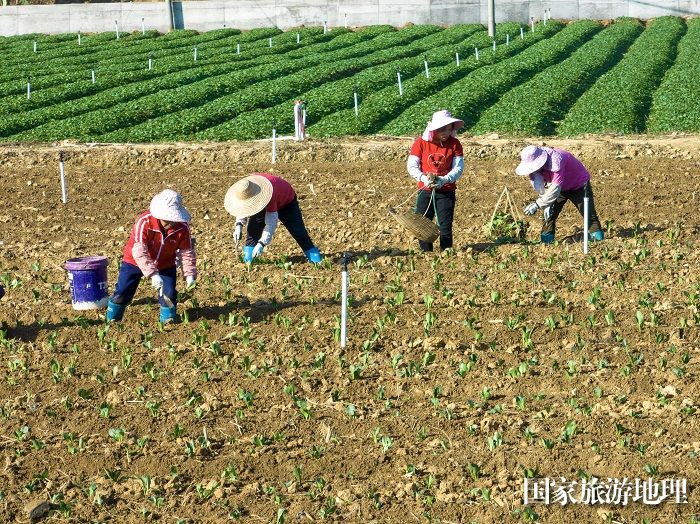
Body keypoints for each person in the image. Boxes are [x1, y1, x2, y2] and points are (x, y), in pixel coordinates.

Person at [106, 189, 197, 324]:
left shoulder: (182, 228)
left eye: (174, 219)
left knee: (169, 294)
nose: (171, 223)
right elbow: (139, 250)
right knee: (123, 292)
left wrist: (190, 275)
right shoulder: (145, 222)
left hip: (165, 263)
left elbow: (186, 252)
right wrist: (153, 274)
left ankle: (168, 321)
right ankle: (112, 319)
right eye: (168, 219)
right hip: (134, 262)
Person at [224, 173, 322, 264]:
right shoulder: (246, 187)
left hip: (287, 203)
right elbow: (244, 206)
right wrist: (239, 225)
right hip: (261, 202)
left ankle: (316, 259)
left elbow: (271, 223)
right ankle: (248, 260)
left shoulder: (268, 193)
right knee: (253, 231)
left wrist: (261, 244)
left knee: (298, 232)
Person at [516, 145, 603, 244]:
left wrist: (537, 204)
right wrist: (545, 203)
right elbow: (541, 187)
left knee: (588, 213)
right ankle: (546, 244)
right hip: (559, 188)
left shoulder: (556, 160)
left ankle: (598, 242)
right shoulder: (534, 171)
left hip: (579, 185)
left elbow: (555, 187)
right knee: (549, 216)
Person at [406, 109, 465, 252]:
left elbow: (458, 168)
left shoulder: (455, 144)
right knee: (423, 224)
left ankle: (446, 253)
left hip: (446, 190)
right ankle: (427, 254)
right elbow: (412, 166)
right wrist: (423, 178)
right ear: (434, 129)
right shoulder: (420, 143)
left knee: (445, 225)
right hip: (425, 190)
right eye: (442, 130)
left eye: (448, 129)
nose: (445, 133)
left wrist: (444, 180)